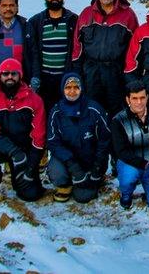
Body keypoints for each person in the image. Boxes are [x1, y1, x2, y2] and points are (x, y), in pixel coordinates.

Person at [0, 58, 45, 204]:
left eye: (14, 73)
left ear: (20, 76)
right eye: (5, 73)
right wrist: (13, 152)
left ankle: (23, 177)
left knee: (31, 195)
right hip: (1, 147)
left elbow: (39, 135)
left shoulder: (34, 99)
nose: (10, 77)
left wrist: (31, 166)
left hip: (24, 149)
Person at [71, 0, 139, 119]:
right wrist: (77, 70)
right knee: (92, 107)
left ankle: (115, 139)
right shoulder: (86, 13)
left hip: (115, 70)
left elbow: (135, 46)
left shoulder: (128, 15)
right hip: (91, 70)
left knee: (116, 109)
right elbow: (77, 44)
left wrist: (130, 73)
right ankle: (93, 138)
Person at [46, 73, 112, 204]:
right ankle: (65, 184)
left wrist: (98, 166)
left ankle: (91, 179)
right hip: (68, 161)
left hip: (91, 160)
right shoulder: (56, 112)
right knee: (56, 172)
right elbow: (53, 142)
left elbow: (105, 139)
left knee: (83, 197)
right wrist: (72, 165)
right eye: (68, 87)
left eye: (76, 87)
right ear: (62, 89)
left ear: (82, 89)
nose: (72, 91)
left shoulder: (94, 109)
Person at [110, 81, 149, 210]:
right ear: (127, 99)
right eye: (134, 98)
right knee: (128, 176)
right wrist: (145, 164)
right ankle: (126, 194)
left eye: (142, 98)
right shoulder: (119, 120)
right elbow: (121, 151)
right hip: (131, 162)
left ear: (147, 97)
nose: (139, 102)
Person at [27, 0, 78, 112]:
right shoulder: (36, 21)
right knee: (45, 112)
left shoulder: (73, 20)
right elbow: (32, 51)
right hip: (45, 79)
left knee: (66, 111)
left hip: (66, 77)